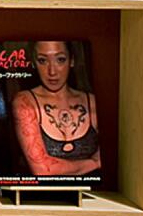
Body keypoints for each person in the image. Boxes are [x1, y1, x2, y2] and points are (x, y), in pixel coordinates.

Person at [11, 41, 100, 177]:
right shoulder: (24, 102)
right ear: (34, 63)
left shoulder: (91, 102)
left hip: (93, 195)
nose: (52, 71)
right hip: (38, 196)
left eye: (60, 59)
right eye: (42, 60)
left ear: (72, 61)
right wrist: (95, 163)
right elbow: (42, 170)